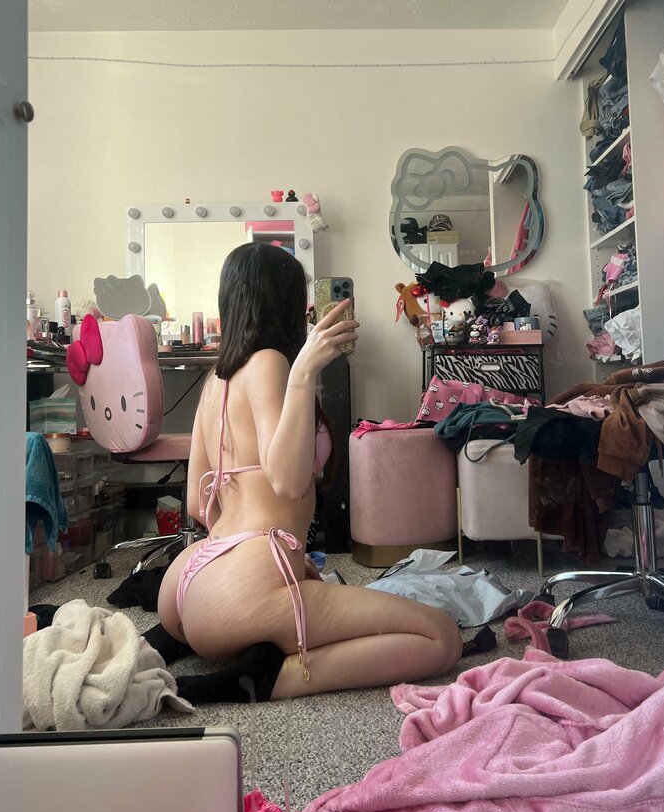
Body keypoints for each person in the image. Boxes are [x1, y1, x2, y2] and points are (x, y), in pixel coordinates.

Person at [158, 243, 463, 702]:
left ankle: (246, 646)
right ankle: (269, 677)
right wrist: (303, 372)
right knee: (440, 638)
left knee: (337, 611)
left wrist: (267, 559)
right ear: (282, 302)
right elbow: (287, 481)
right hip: (239, 593)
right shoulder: (270, 362)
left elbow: (200, 505)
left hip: (189, 580)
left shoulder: (215, 379)